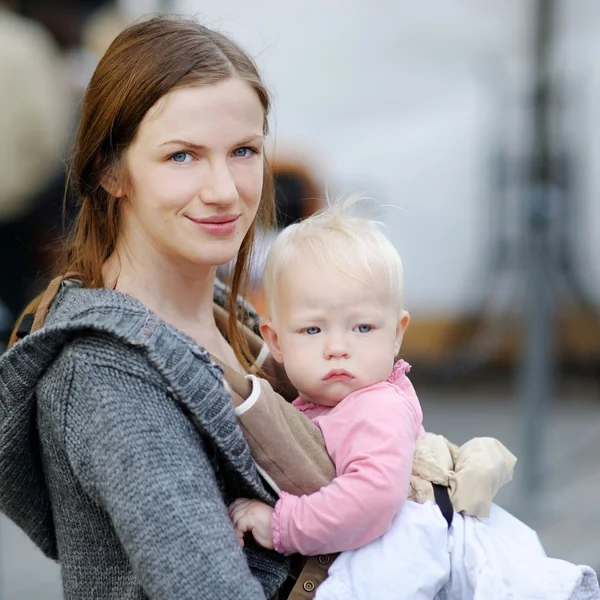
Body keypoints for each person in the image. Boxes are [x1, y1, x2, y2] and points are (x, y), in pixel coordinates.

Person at [0, 15, 341, 599]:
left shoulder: (226, 320)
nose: (223, 189)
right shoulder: (108, 374)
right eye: (182, 156)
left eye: (243, 151)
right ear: (111, 170)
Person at [228, 198, 600, 600]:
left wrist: (283, 525)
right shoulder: (319, 405)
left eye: (363, 327)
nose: (338, 347)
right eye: (313, 331)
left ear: (397, 333)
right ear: (275, 341)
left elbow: (370, 500)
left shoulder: (376, 408)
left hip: (403, 553)